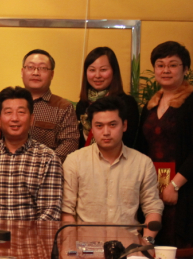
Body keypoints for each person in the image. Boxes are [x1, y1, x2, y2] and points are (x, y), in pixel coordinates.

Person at [136, 41, 193, 248]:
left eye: (173, 65)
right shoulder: (149, 106)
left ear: (185, 69)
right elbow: (142, 149)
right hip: (152, 187)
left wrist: (175, 185)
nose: (166, 70)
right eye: (160, 65)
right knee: (150, 245)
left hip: (184, 189)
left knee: (178, 246)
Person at [61, 96, 162, 241]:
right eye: (99, 126)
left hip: (129, 246)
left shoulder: (143, 163)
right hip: (86, 247)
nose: (106, 132)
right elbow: (66, 211)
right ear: (91, 128)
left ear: (124, 125)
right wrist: (71, 245)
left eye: (113, 125)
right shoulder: (74, 161)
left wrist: (146, 244)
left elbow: (153, 209)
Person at [0, 87, 62, 221]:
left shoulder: (48, 158)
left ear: (31, 119)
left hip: (33, 234)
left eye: (21, 112)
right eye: (8, 112)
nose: (14, 118)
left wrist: (26, 234)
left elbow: (50, 211)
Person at [20, 49, 80, 162]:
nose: (36, 73)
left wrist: (44, 164)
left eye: (42, 68)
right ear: (22, 72)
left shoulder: (64, 107)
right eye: (30, 67)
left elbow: (70, 143)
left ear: (52, 74)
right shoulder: (9, 102)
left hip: (47, 169)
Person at [75, 47, 139, 148]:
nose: (97, 75)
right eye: (92, 70)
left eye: (103, 70)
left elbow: (129, 142)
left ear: (114, 71)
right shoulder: (82, 105)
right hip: (86, 157)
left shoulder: (127, 103)